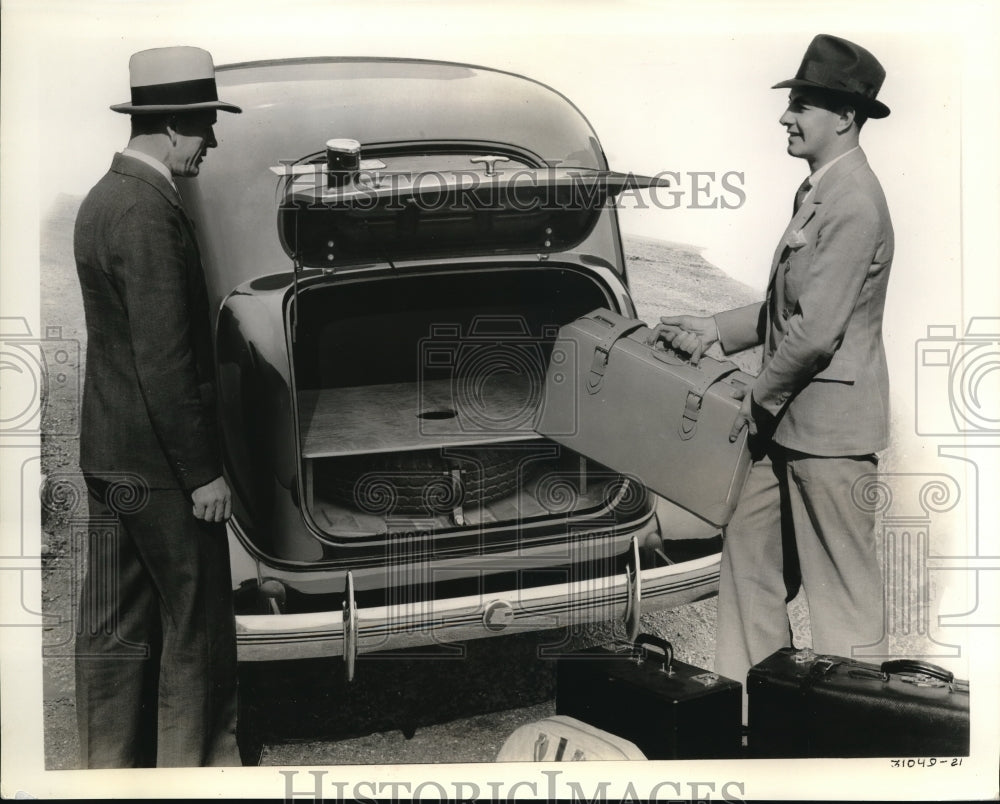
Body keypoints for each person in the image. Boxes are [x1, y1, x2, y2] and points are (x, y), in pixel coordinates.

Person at [656, 34, 893, 714]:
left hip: (829, 437)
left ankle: (853, 741)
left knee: (842, 600)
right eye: (790, 103)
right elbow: (788, 307)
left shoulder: (853, 201)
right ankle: (750, 716)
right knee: (750, 565)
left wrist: (753, 401)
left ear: (845, 117)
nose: (787, 117)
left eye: (803, 105)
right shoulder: (820, 189)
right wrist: (714, 331)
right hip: (785, 424)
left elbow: (815, 332)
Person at [74, 46, 243, 767]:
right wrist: (204, 474)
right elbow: (166, 362)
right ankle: (194, 774)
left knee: (114, 627)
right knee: (195, 626)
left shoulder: (101, 199)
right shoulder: (148, 213)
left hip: (110, 455)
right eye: (206, 124)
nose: (212, 141)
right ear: (174, 124)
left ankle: (105, 772)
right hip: (164, 470)